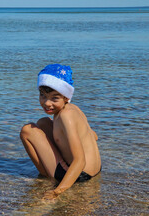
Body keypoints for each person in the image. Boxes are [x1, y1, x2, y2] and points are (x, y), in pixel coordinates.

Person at [20, 64, 101, 200]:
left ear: (65, 97)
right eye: (43, 96)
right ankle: (56, 166)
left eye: (54, 98)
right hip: (95, 170)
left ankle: (47, 176)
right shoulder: (74, 109)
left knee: (27, 130)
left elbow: (79, 161)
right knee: (43, 123)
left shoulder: (65, 116)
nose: (47, 103)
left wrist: (57, 191)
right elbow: (94, 136)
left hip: (79, 175)